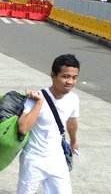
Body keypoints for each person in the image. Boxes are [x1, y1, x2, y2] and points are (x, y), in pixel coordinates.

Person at [17, 54, 80, 194]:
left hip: (57, 159)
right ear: (53, 75)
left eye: (74, 77)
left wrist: (74, 141)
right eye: (65, 76)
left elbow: (72, 121)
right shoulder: (36, 97)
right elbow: (23, 128)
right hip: (33, 160)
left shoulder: (73, 99)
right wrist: (39, 103)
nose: (70, 81)